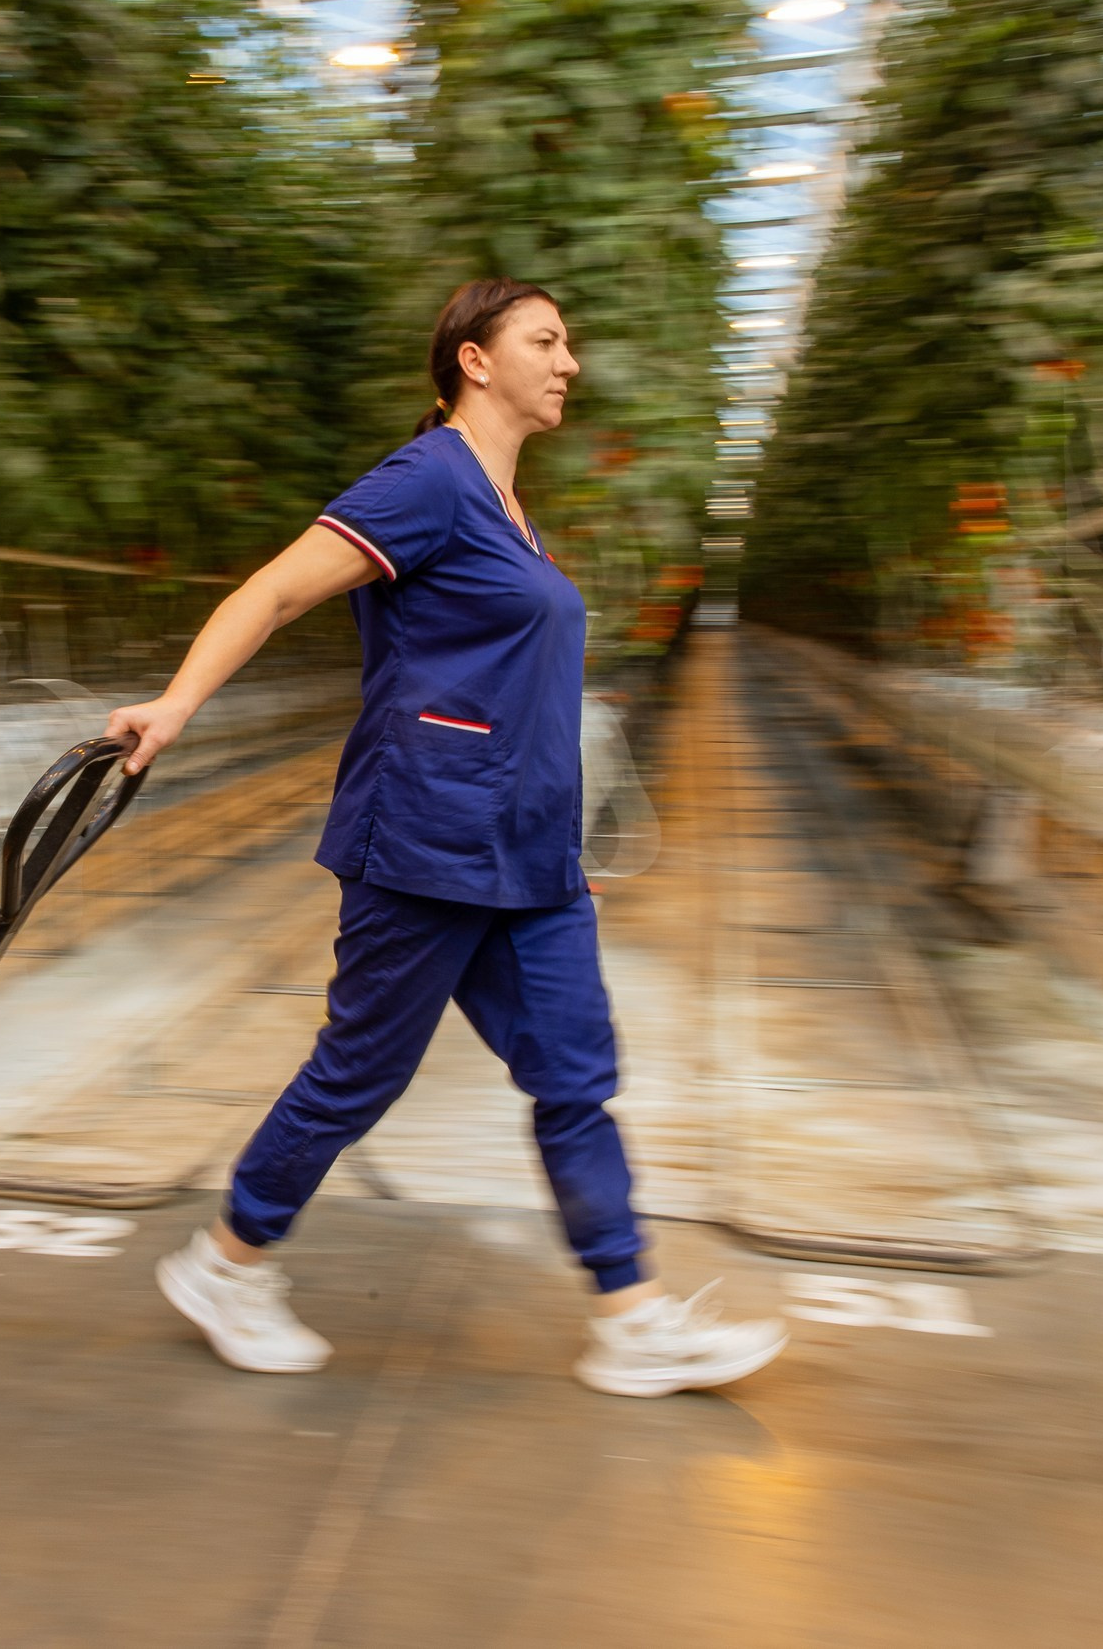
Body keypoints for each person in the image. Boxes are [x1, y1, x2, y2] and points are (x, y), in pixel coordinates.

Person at [105, 277, 786, 1397]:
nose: (568, 361)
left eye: (569, 342)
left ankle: (632, 1318)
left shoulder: (512, 511)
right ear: (476, 360)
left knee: (575, 1074)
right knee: (359, 1071)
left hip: (528, 855)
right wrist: (175, 706)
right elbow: (273, 592)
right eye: (545, 340)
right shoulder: (428, 482)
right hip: (426, 838)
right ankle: (226, 1262)